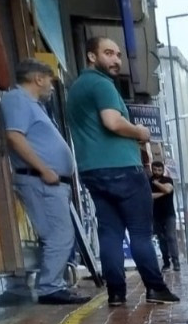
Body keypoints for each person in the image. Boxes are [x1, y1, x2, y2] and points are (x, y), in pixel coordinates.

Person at [66, 37, 178, 306]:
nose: (116, 59)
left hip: (92, 170)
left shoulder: (76, 88)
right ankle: (155, 287)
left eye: (118, 54)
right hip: (123, 168)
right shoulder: (102, 85)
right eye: (108, 53)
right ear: (92, 56)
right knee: (139, 232)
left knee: (110, 232)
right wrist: (140, 132)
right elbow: (112, 122)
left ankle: (116, 294)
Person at [0, 59, 89, 305]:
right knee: (59, 234)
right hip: (40, 179)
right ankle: (51, 288)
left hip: (48, 181)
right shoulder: (17, 99)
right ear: (38, 78)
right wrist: (43, 169)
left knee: (58, 234)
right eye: (50, 80)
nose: (51, 86)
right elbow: (14, 137)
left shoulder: (33, 105)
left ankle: (52, 285)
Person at [150, 161, 179, 270]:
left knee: (171, 237)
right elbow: (149, 196)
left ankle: (176, 261)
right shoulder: (148, 181)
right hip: (156, 215)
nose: (157, 172)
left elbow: (168, 189)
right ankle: (166, 263)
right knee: (161, 239)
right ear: (152, 169)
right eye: (155, 170)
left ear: (163, 170)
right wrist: (163, 193)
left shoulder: (168, 180)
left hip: (169, 214)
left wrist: (156, 183)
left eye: (159, 170)